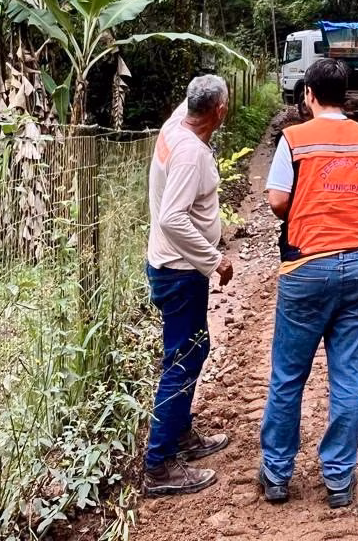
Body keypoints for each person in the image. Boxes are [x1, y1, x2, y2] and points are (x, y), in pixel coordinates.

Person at [258, 57, 358, 509]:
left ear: (309, 95)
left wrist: (308, 209)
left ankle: (277, 475)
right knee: (347, 376)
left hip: (306, 268)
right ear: (347, 95)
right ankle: (339, 479)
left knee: (288, 376)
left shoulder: (294, 140)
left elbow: (277, 199)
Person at [144, 74, 235, 495]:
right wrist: (215, 260)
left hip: (172, 265)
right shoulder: (190, 154)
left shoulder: (177, 123)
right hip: (180, 271)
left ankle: (180, 435)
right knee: (183, 359)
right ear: (219, 110)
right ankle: (159, 465)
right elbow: (171, 218)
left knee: (194, 349)